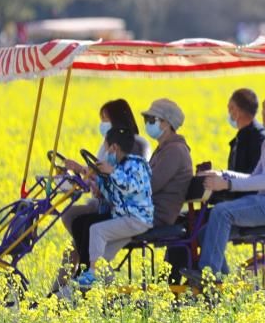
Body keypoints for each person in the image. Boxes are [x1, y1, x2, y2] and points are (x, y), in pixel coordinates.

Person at [183, 90, 265, 282]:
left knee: (222, 212)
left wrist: (227, 183)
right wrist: (222, 174)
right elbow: (254, 176)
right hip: (264, 201)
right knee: (204, 234)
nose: (263, 112)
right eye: (264, 106)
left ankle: (207, 276)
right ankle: (222, 286)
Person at [74, 128, 155, 287]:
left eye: (106, 146)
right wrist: (98, 186)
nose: (105, 151)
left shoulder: (136, 165)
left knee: (96, 230)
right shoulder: (117, 167)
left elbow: (131, 187)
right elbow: (114, 193)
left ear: (114, 148)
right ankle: (103, 286)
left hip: (137, 219)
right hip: (123, 219)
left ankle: (91, 275)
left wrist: (111, 171)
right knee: (101, 257)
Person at [141, 98, 194, 230]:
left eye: (152, 120)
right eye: (146, 119)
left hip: (156, 216)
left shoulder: (174, 151)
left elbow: (151, 185)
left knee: (95, 225)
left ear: (167, 124)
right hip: (146, 211)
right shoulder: (163, 149)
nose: (148, 124)